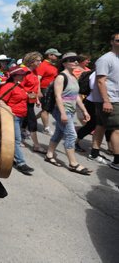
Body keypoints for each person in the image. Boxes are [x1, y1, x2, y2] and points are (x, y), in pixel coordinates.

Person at [44, 53, 91, 175]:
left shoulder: (73, 77)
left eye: (76, 60)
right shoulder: (61, 77)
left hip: (70, 110)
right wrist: (63, 113)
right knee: (71, 135)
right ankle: (73, 163)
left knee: (59, 133)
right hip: (61, 110)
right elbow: (58, 96)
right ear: (64, 63)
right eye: (72, 60)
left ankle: (49, 155)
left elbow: (76, 97)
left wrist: (84, 110)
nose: (75, 62)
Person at [0, 66, 35, 175]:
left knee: (14, 140)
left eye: (23, 75)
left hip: (21, 116)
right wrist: (9, 111)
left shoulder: (20, 86)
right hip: (13, 116)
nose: (23, 77)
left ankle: (9, 158)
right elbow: (1, 101)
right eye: (21, 75)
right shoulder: (9, 86)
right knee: (16, 140)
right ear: (14, 76)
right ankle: (21, 163)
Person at [89, 33, 119, 170]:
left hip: (115, 98)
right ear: (112, 42)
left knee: (101, 125)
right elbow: (100, 81)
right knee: (116, 129)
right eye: (118, 40)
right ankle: (117, 161)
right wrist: (106, 101)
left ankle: (94, 153)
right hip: (109, 99)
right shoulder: (105, 59)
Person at [20, 52, 45, 153]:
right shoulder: (23, 72)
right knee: (32, 121)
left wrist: (37, 99)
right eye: (38, 60)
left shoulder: (34, 72)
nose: (40, 62)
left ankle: (20, 138)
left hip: (30, 101)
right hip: (22, 102)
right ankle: (36, 145)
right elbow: (19, 88)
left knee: (24, 122)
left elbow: (34, 87)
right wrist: (27, 94)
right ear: (31, 61)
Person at [35, 48, 62, 135]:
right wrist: (39, 91)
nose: (57, 57)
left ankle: (30, 119)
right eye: (55, 55)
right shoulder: (43, 65)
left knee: (47, 109)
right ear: (50, 55)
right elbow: (37, 79)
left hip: (51, 89)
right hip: (45, 89)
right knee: (45, 110)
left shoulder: (52, 65)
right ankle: (46, 128)